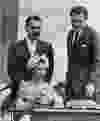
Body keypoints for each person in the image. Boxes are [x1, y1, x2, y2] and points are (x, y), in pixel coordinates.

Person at [1, 15, 54, 116]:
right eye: (33, 28)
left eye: (38, 28)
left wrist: (42, 89)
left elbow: (50, 71)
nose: (36, 31)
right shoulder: (15, 47)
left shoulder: (47, 46)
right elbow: (11, 70)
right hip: (20, 90)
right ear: (26, 28)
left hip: (41, 92)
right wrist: (23, 84)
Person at [65, 6, 99, 102]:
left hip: (86, 85)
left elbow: (96, 61)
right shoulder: (70, 34)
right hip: (71, 84)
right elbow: (71, 60)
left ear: (86, 19)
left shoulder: (93, 35)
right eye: (73, 21)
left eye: (79, 21)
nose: (76, 24)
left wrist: (91, 82)